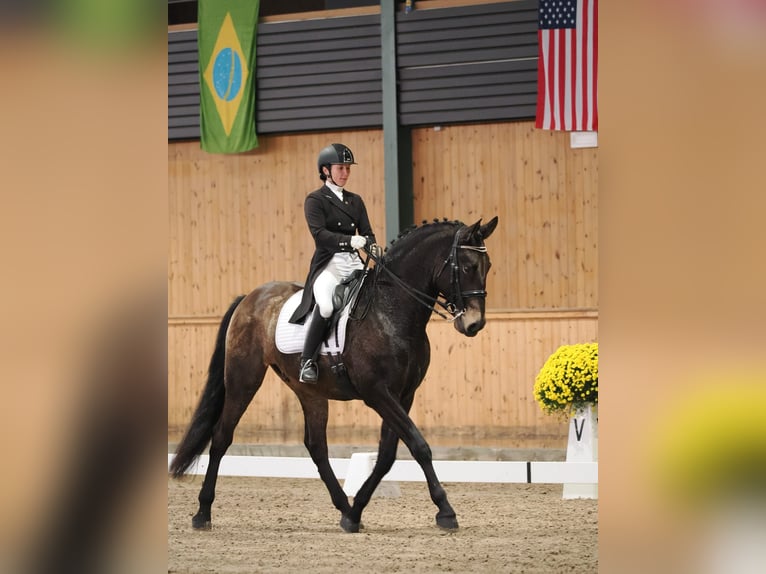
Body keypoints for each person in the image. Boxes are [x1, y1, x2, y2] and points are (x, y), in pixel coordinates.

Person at [289, 143, 380, 384]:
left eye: (348, 169)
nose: (345, 173)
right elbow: (320, 235)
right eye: (340, 168)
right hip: (329, 264)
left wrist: (372, 246)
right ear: (326, 170)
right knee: (327, 306)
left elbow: (368, 233)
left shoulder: (356, 201)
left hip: (354, 263)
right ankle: (307, 361)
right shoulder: (315, 200)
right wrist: (351, 240)